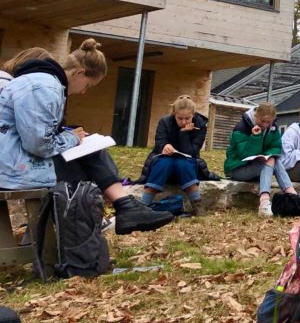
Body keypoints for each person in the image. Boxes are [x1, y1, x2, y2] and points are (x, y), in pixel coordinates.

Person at [0, 40, 175, 234]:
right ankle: (102, 221)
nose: (84, 92)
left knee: (83, 153)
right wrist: (72, 138)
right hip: (11, 170)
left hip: (11, 163)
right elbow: (39, 145)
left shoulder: (42, 84)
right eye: (88, 86)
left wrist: (71, 136)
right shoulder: (44, 87)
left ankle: (113, 214)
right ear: (80, 72)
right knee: (81, 170)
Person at [223, 102, 296, 217]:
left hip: (256, 166)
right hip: (236, 168)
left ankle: (291, 196)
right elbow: (244, 155)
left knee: (273, 159)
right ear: (256, 116)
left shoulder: (272, 128)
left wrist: (266, 155)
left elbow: (276, 147)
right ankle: (266, 201)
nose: (265, 125)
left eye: (269, 122)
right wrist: (256, 137)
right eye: (263, 121)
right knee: (270, 161)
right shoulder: (241, 128)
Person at [139, 96, 208, 216]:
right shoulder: (165, 122)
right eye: (180, 118)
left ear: (194, 114)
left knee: (183, 164)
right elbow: (159, 142)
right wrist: (164, 146)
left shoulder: (200, 125)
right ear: (173, 114)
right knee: (164, 163)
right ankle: (142, 205)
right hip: (165, 161)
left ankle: (197, 205)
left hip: (187, 164)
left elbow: (192, 152)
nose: (184, 122)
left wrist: (184, 134)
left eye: (188, 118)